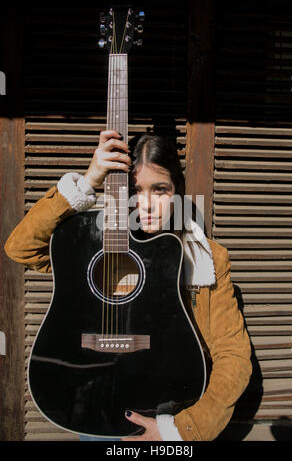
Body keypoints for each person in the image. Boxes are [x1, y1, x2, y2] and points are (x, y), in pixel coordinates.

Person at [4, 130, 252, 442]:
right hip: (99, 409)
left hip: (172, 408)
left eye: (159, 190)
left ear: (178, 191)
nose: (146, 205)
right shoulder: (90, 247)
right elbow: (21, 248)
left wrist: (182, 430)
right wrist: (90, 180)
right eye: (135, 191)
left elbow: (234, 355)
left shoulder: (206, 259)